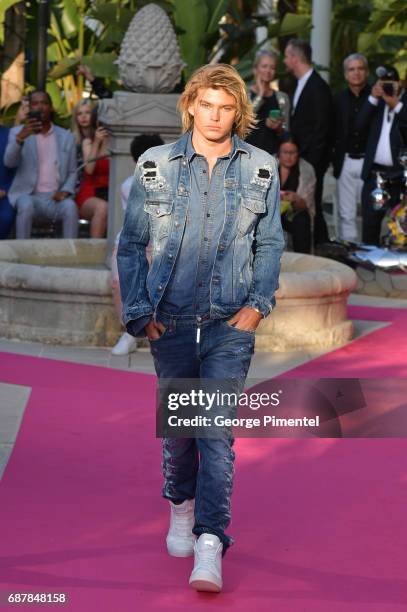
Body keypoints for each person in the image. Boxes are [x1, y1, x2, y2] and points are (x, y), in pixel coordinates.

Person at [117, 64, 284, 593]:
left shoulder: (260, 167)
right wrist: (141, 313)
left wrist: (258, 305)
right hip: (171, 321)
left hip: (228, 325)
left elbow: (271, 243)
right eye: (206, 104)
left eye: (226, 107)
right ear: (190, 104)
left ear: (239, 112)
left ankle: (211, 542)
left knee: (216, 434)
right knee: (179, 433)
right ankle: (181, 503)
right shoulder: (154, 165)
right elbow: (130, 245)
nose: (215, 116)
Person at [111, 133, 164, 356]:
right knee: (117, 282)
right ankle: (131, 332)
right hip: (131, 246)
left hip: (162, 247)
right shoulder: (128, 185)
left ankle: (158, 334)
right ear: (136, 161)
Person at [4, 91, 78, 239]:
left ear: (50, 108)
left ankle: (71, 253)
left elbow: (73, 171)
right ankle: (22, 251)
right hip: (28, 195)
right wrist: (20, 139)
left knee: (70, 207)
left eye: (44, 103)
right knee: (25, 205)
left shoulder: (66, 137)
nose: (40, 107)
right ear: (30, 109)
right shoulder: (17, 133)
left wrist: (65, 191)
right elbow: (9, 162)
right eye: (35, 104)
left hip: (55, 198)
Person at [284, 38, 333, 245]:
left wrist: (311, 164)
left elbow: (322, 129)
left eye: (286, 57)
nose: (285, 61)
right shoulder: (300, 84)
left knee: (312, 208)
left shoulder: (317, 86)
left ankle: (320, 250)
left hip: (311, 162)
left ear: (295, 58)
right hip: (300, 159)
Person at [357, 65, 407, 244]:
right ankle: (368, 267)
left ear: (399, 83)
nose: (386, 87)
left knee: (400, 226)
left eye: (390, 83)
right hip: (374, 176)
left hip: (399, 177)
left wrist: (396, 105)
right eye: (383, 83)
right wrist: (372, 97)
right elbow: (359, 126)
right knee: (370, 225)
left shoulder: (404, 102)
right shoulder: (376, 103)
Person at [333, 54, 370, 242]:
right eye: (351, 69)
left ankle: (370, 254)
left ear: (367, 72)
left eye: (360, 68)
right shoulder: (337, 99)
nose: (356, 73)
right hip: (345, 161)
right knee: (346, 213)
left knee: (369, 213)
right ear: (346, 74)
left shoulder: (376, 98)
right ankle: (351, 254)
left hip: (370, 163)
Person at [72, 101, 109, 238]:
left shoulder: (112, 140)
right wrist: (97, 142)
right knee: (102, 207)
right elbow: (89, 169)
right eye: (80, 113)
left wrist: (104, 140)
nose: (84, 117)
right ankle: (95, 249)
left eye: (87, 113)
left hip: (109, 190)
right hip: (90, 191)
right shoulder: (86, 142)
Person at [245, 50, 290, 155]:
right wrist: (260, 95)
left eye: (272, 67)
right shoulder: (244, 94)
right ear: (255, 69)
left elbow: (286, 131)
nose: (268, 71)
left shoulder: (282, 98)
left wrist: (278, 127)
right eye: (264, 66)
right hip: (246, 156)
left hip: (272, 157)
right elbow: (243, 121)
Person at [278, 135, 315, 253]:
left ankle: (303, 259)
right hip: (270, 211)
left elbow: (307, 205)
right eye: (285, 152)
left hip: (293, 213)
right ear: (279, 153)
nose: (289, 156)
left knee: (302, 220)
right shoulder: (267, 165)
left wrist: (295, 199)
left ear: (298, 153)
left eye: (292, 152)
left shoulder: (306, 170)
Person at [0, 124, 16, 239]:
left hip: (6, 191)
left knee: (5, 217)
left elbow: (18, 168)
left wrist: (6, 190)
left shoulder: (10, 134)